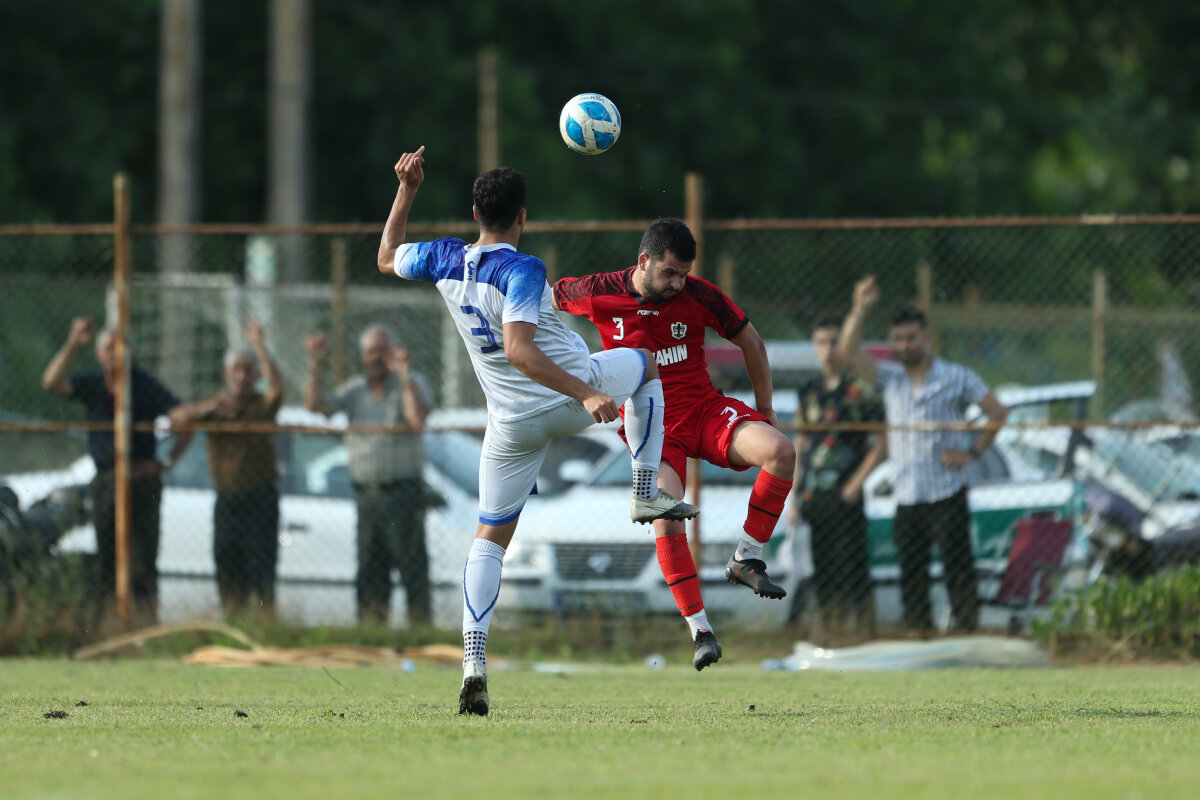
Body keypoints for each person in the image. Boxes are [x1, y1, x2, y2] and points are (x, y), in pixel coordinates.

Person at [376, 146, 697, 716]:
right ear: (522, 216)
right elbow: (520, 350)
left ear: (475, 213)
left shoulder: (444, 257)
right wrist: (587, 393)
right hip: (567, 395)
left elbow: (385, 257)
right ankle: (646, 491)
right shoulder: (522, 269)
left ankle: (473, 663)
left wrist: (407, 189)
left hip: (509, 424)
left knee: (489, 539)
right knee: (647, 367)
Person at [553, 218, 796, 668]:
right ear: (643, 261)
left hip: (703, 409)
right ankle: (700, 631)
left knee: (781, 452)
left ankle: (747, 558)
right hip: (652, 429)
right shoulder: (597, 290)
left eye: (684, 274)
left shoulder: (700, 295)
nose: (677, 283)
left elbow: (752, 343)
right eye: (669, 273)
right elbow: (542, 300)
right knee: (664, 513)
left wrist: (766, 409)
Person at [41, 316, 192, 616]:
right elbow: (52, 382)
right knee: (107, 558)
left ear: (132, 353)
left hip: (140, 480)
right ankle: (110, 624)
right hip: (107, 481)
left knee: (142, 560)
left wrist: (164, 462)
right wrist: (73, 343)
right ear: (99, 353)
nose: (114, 353)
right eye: (108, 347)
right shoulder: (95, 385)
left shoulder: (144, 384)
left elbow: (184, 418)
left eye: (120, 347)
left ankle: (144, 625)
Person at [876, 303, 1009, 632]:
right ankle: (918, 632)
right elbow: (849, 355)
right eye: (898, 339)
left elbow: (998, 412)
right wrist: (862, 308)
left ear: (926, 337)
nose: (905, 345)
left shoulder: (956, 376)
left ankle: (966, 630)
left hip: (946, 489)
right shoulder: (891, 379)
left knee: (958, 568)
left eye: (911, 337)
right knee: (912, 573)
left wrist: (972, 452)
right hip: (907, 493)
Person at [304, 323, 436, 627]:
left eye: (382, 351)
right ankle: (372, 632)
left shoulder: (411, 383)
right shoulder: (355, 390)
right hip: (367, 495)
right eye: (370, 352)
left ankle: (420, 631)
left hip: (403, 493)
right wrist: (316, 364)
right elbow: (314, 406)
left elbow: (417, 419)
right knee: (369, 570)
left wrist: (404, 376)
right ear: (362, 356)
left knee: (412, 568)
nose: (376, 358)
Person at [790, 277, 887, 634]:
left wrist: (856, 484)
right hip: (816, 491)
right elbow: (802, 443)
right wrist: (794, 495)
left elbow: (881, 443)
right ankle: (830, 630)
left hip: (846, 490)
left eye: (834, 341)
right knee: (823, 567)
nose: (828, 349)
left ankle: (863, 631)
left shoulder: (859, 390)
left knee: (854, 565)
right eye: (821, 342)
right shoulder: (809, 391)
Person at [169, 318, 283, 618]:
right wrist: (208, 409)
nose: (242, 377)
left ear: (256, 375)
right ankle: (232, 622)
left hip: (260, 500)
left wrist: (260, 346)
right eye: (237, 370)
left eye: (248, 370)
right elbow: (176, 418)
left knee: (261, 570)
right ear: (226, 373)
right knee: (227, 567)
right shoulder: (215, 407)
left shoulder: (261, 406)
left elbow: (277, 390)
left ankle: (266, 625)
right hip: (227, 501)